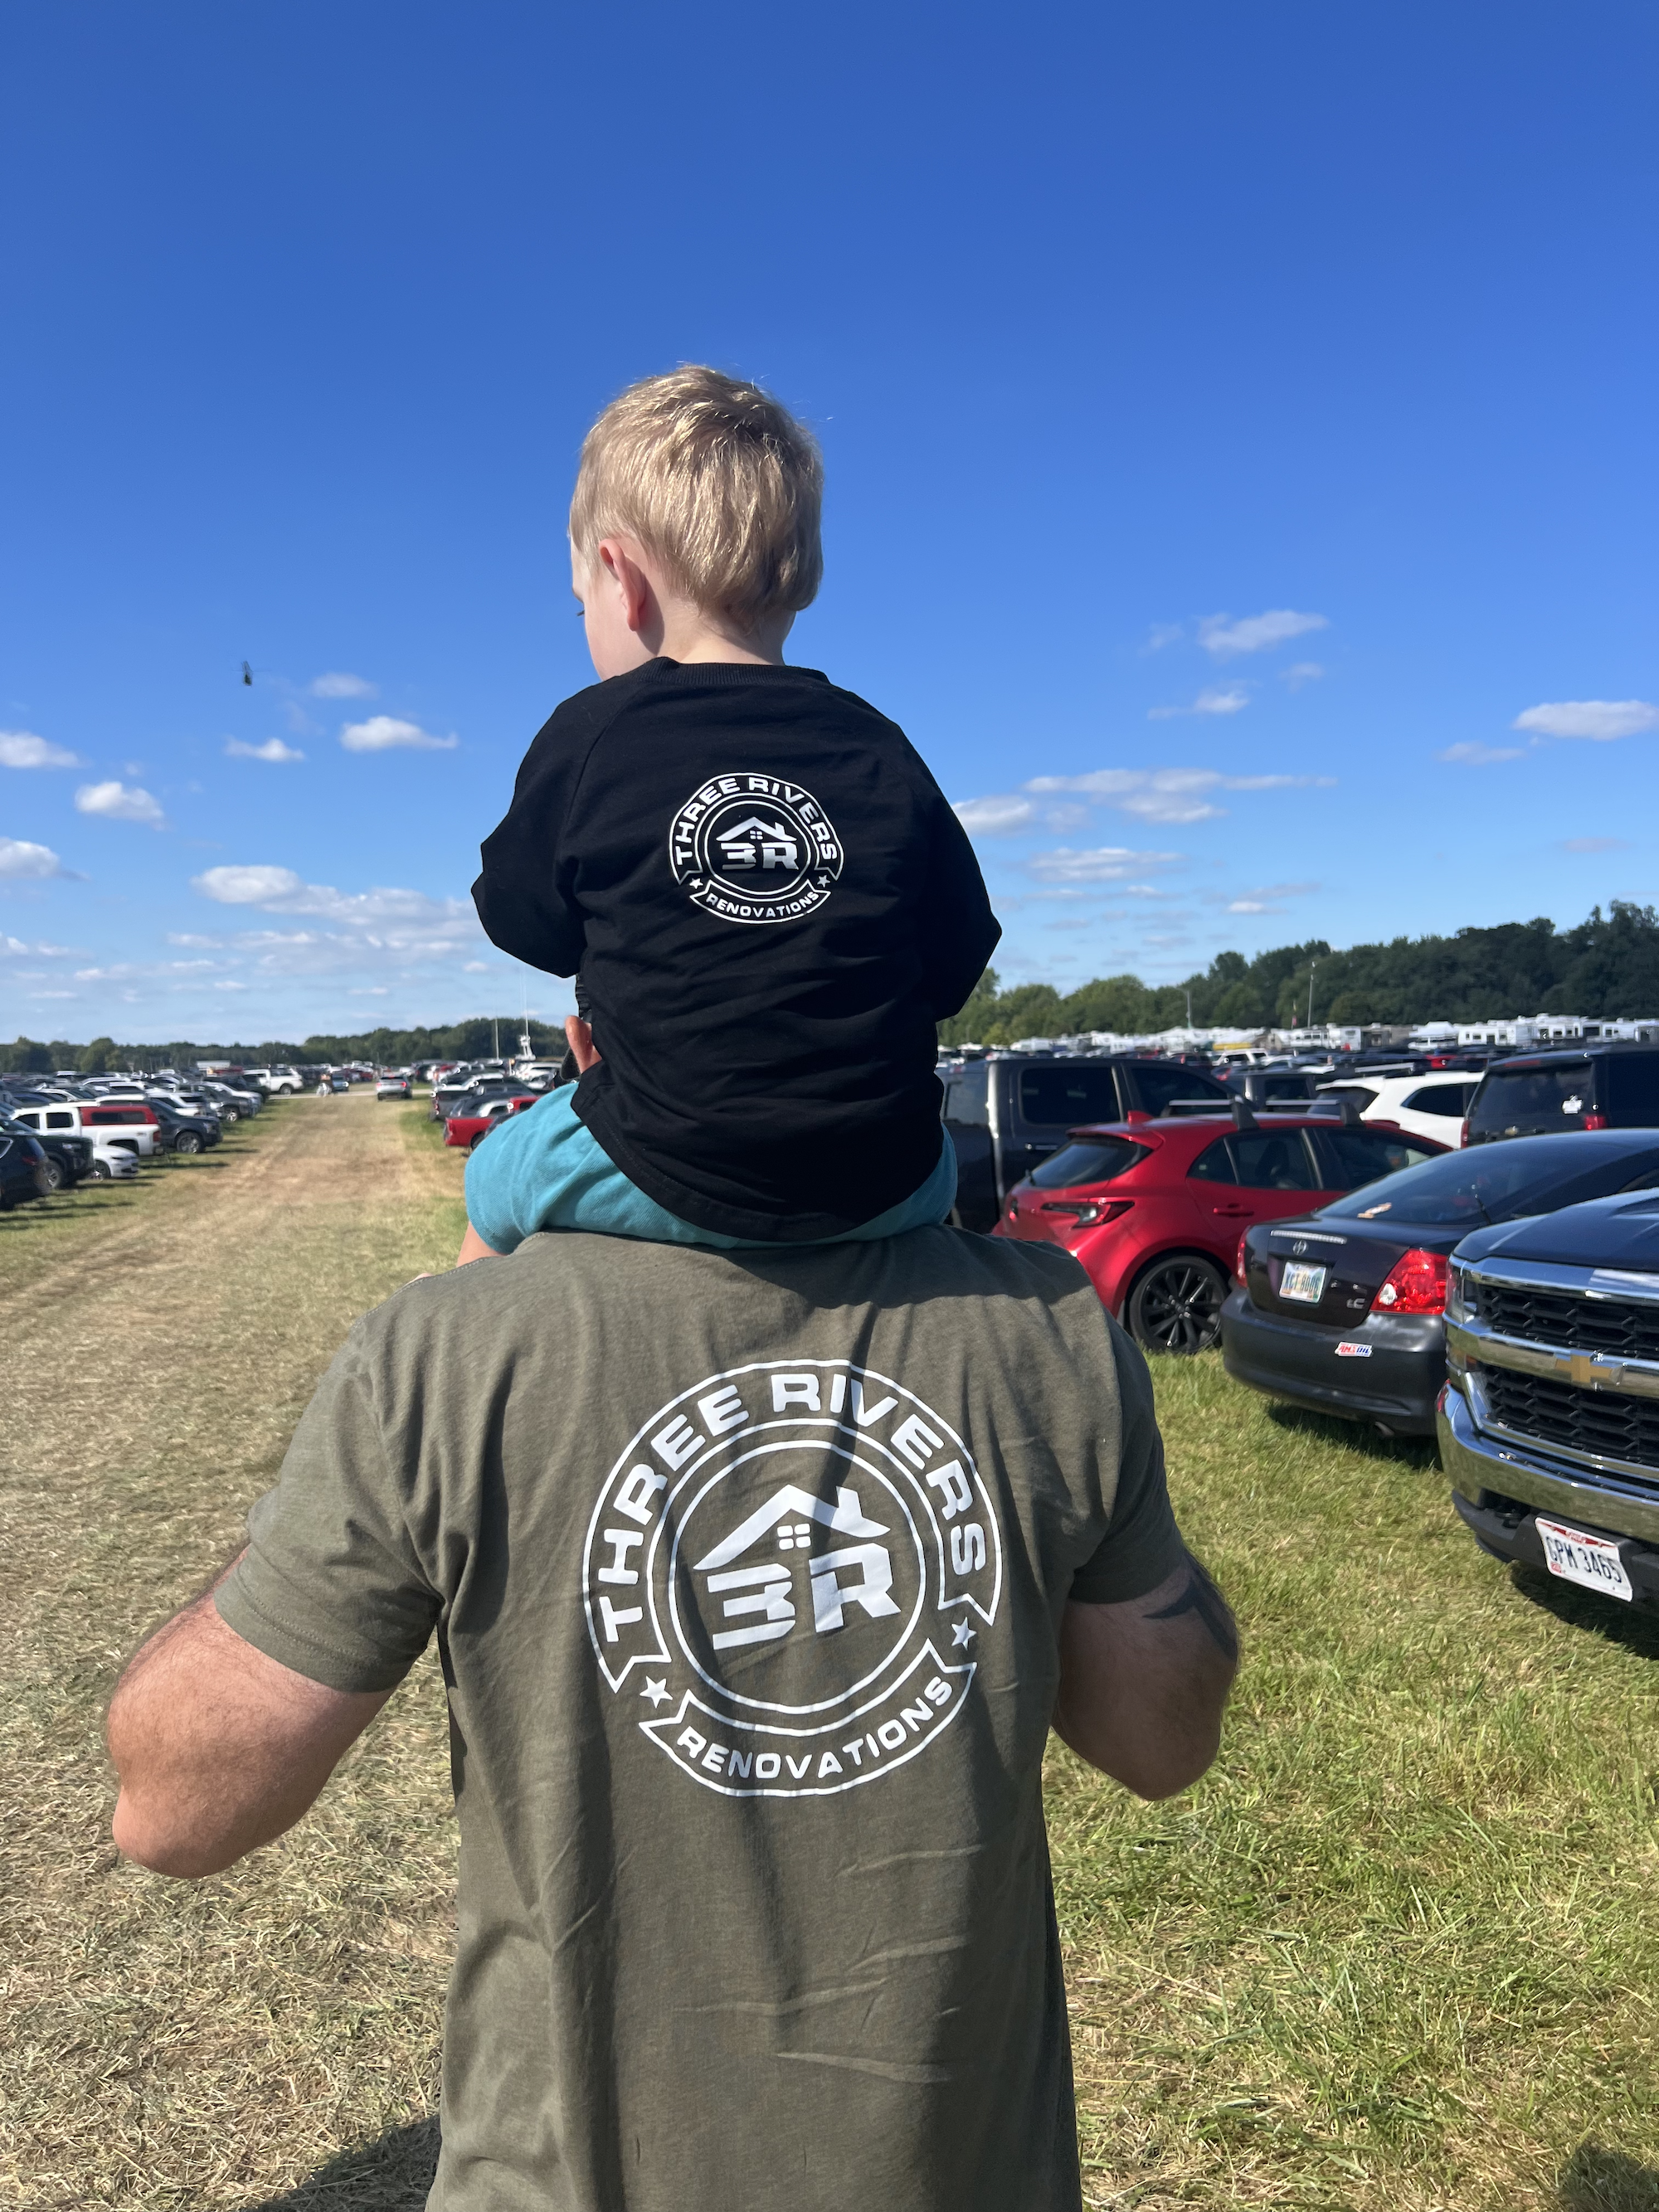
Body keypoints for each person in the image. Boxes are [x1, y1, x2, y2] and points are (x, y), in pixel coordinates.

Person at [106, 1222, 1238, 2211]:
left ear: (587, 1048)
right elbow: (1165, 1737)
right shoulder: (1047, 1327)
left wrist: (366, 1473)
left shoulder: (450, 1352)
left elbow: (172, 1805)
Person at [465, 365, 1000, 1259]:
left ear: (619, 577)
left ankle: (471, 1370)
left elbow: (521, 919)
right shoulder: (875, 745)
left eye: (579, 605)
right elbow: (954, 954)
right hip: (892, 1178)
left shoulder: (591, 734)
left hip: (668, 1163)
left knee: (495, 1175)